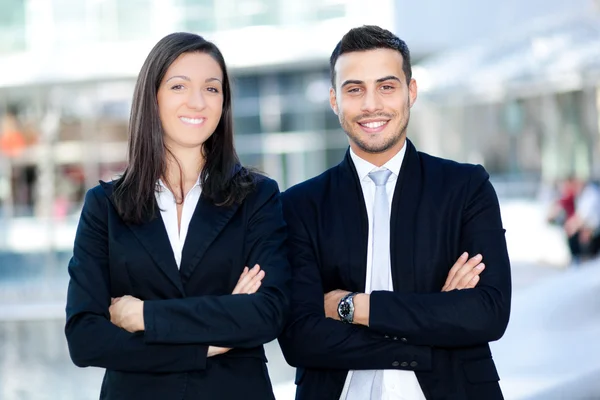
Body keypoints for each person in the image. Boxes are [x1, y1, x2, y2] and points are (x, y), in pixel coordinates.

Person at [278, 25, 511, 400]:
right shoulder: (300, 205)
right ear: (335, 100)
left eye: (386, 86)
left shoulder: (466, 188)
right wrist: (434, 324)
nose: (372, 105)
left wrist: (350, 306)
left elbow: (487, 313)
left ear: (410, 92)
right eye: (355, 89)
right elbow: (300, 338)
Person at [64, 32, 290, 400]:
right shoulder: (104, 206)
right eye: (179, 86)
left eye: (212, 89)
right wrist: (214, 337)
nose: (197, 101)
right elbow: (86, 339)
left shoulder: (258, 197)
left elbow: (267, 313)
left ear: (224, 103)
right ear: (151, 97)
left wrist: (145, 318)